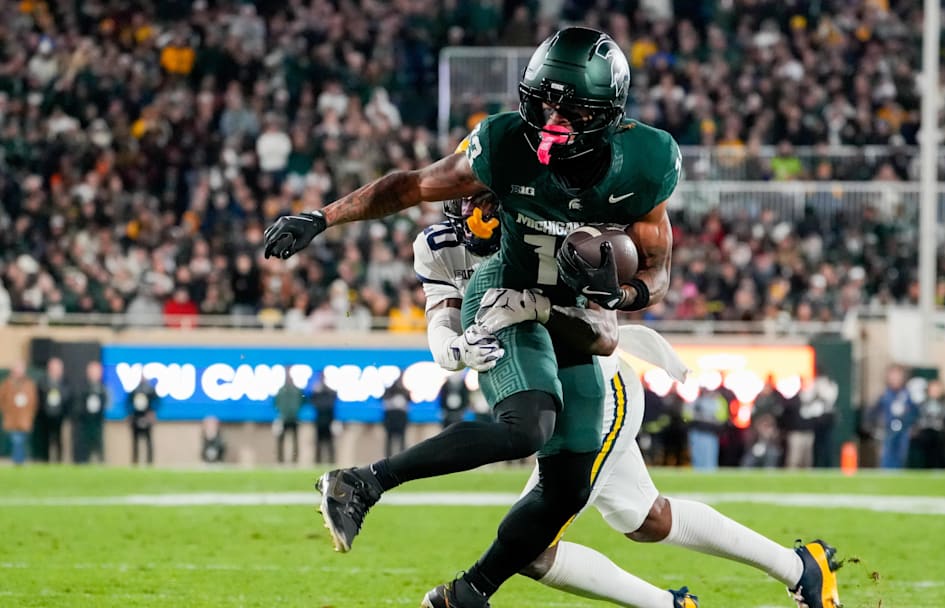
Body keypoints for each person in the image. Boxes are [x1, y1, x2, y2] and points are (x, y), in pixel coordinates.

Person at [265, 27, 839, 608]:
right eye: (542, 99)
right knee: (529, 430)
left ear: (607, 114)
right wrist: (322, 218)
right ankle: (372, 490)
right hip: (510, 287)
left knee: (576, 498)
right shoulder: (497, 153)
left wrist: (618, 290)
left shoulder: (643, 163)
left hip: (577, 314)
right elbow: (413, 188)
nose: (551, 117)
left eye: (571, 106)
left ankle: (479, 595)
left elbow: (642, 292)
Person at [411, 193, 840, 608]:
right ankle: (799, 567)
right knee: (647, 519)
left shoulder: (543, 228)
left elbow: (596, 312)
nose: (479, 213)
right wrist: (457, 349)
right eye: (471, 202)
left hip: (595, 390)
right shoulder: (441, 248)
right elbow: (442, 331)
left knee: (532, 546)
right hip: (557, 397)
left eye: (489, 203)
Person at [875, 365, 918, 469]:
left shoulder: (907, 394)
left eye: (898, 375)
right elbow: (876, 411)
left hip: (903, 429)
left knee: (901, 456)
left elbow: (914, 412)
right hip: (888, 429)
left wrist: (910, 424)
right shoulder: (885, 394)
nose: (895, 378)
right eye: (893, 375)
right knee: (887, 456)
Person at [0, 362, 38, 465]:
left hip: (25, 418)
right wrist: (6, 411)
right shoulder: (6, 384)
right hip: (11, 418)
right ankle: (18, 461)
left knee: (21, 440)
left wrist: (30, 414)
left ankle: (19, 460)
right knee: (16, 440)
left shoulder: (29, 384)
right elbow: (2, 400)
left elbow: (34, 401)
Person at [73, 361, 109, 464]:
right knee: (85, 443)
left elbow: (107, 402)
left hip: (97, 420)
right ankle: (84, 461)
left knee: (98, 443)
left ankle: (100, 461)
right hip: (85, 421)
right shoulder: (83, 387)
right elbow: (78, 403)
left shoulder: (103, 388)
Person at [36, 357, 71, 463]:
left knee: (59, 439)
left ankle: (59, 460)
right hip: (45, 415)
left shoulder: (65, 382)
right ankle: (45, 460)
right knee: (45, 439)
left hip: (59, 415)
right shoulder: (43, 381)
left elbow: (68, 397)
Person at [913, 380, 945, 469]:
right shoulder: (923, 403)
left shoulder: (944, 403)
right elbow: (921, 417)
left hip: (939, 433)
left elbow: (944, 417)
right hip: (926, 433)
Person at [273, 368, 303, 464]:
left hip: (294, 418)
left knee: (295, 440)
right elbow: (275, 403)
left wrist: (296, 411)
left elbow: (302, 402)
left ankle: (294, 459)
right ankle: (280, 459)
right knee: (281, 440)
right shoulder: (281, 391)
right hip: (283, 419)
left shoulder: (296, 391)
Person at [128, 373, 158, 464]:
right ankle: (135, 461)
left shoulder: (151, 391)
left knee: (148, 440)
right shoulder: (134, 391)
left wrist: (152, 413)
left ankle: (149, 461)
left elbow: (157, 402)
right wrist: (130, 414)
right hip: (136, 418)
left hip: (147, 417)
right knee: (135, 441)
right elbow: (128, 403)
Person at [310, 372, 338, 464]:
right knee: (318, 443)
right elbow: (312, 402)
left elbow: (332, 403)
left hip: (329, 421)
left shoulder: (329, 391)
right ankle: (318, 461)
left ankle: (331, 461)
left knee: (329, 443)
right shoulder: (316, 391)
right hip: (319, 421)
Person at [382, 376, 410, 458]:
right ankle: (388, 459)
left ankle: (402, 458)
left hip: (400, 419)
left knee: (402, 440)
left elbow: (410, 400)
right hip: (391, 419)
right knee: (389, 440)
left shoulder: (404, 391)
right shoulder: (388, 392)